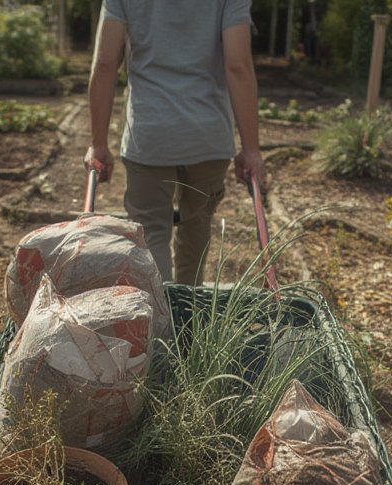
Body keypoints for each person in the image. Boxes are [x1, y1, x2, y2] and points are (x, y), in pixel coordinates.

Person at [85, 0, 264, 285]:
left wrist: (99, 143)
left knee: (150, 232)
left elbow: (105, 64)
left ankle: (161, 310)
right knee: (196, 226)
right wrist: (251, 149)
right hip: (207, 136)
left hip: (150, 135)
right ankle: (189, 308)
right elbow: (238, 65)